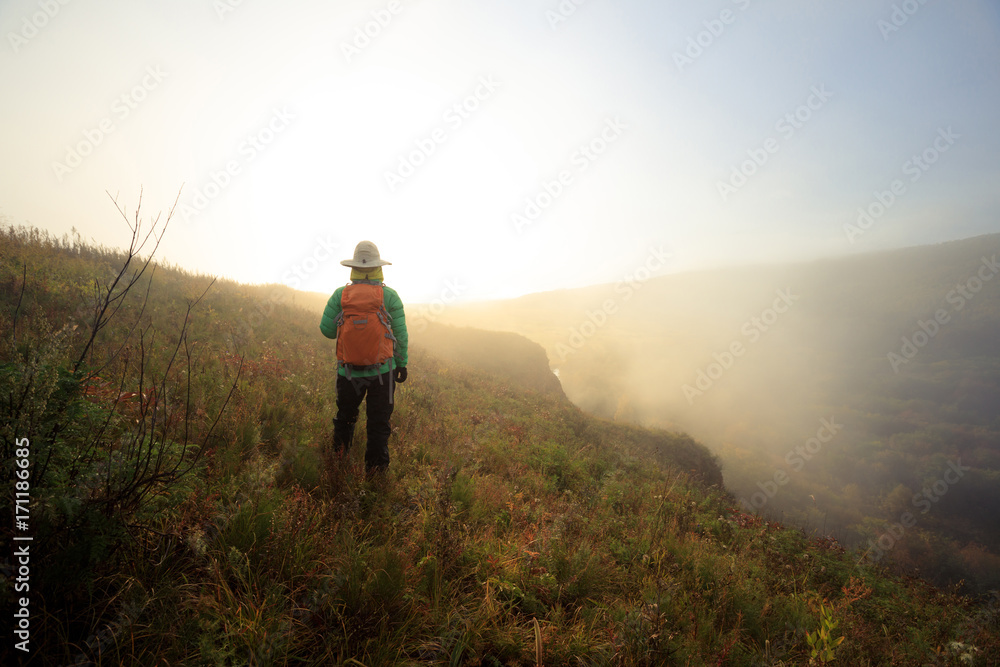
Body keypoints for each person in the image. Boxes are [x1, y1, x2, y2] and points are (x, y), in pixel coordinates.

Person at [319, 241, 408, 474]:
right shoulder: (390, 296)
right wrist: (402, 364)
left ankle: (337, 466)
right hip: (383, 372)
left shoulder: (340, 295)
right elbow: (400, 335)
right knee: (378, 424)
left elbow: (327, 331)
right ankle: (376, 475)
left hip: (348, 372)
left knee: (345, 418)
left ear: (354, 268)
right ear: (378, 268)